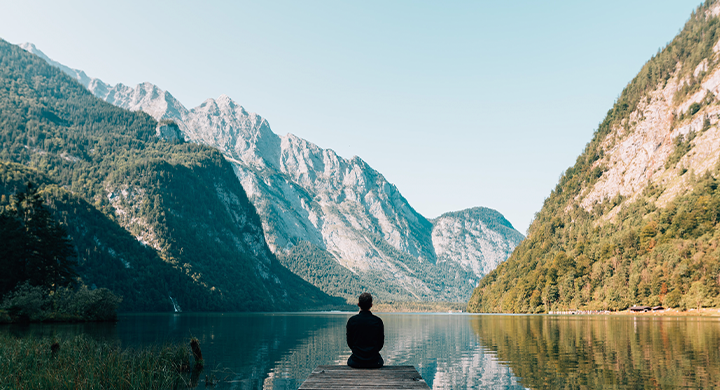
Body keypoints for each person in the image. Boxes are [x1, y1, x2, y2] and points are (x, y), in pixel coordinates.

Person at [346, 292, 384, 368]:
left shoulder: (352, 321)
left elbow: (350, 342)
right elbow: (380, 343)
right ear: (371, 305)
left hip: (356, 362)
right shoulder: (378, 321)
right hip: (375, 362)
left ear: (358, 305)